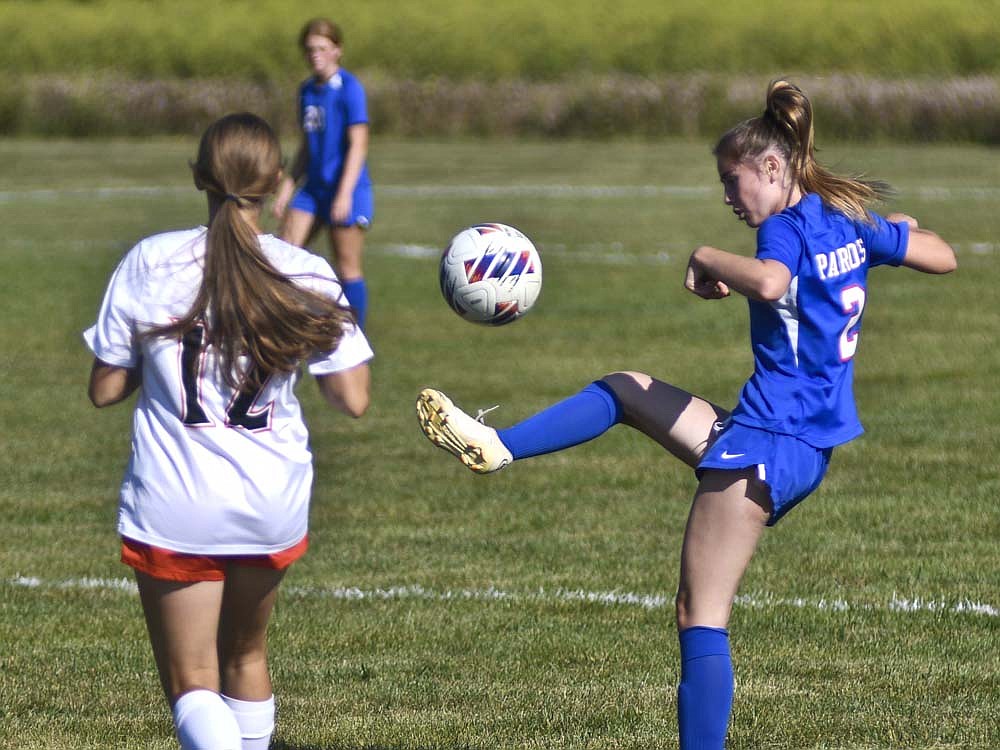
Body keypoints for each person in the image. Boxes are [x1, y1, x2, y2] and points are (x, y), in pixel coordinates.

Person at [415, 80, 956, 749]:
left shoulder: (784, 228)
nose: (729, 198)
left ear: (770, 167)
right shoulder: (841, 217)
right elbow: (942, 254)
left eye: (733, 183)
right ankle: (498, 444)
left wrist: (705, 258)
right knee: (626, 390)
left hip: (765, 441)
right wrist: (888, 235)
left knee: (701, 616)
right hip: (798, 442)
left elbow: (774, 281)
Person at [85, 113, 373, 750]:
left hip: (177, 499)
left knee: (194, 679)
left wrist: (147, 357)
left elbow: (104, 389)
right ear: (277, 186)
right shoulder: (306, 272)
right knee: (245, 657)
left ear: (198, 179)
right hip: (270, 500)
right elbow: (351, 397)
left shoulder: (150, 261)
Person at [272, 17, 374, 330]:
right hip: (313, 190)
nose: (315, 54)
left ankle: (356, 336)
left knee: (347, 268)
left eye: (322, 48)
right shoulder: (307, 91)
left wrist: (343, 195)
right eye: (309, 49)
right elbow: (307, 146)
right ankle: (285, 329)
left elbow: (358, 145)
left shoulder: (349, 88)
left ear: (337, 50)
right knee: (280, 259)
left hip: (346, 189)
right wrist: (286, 190)